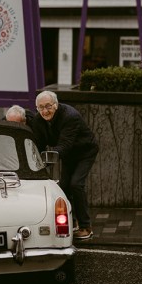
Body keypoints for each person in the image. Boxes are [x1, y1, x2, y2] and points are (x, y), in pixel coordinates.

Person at [31, 90, 99, 240]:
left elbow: (65, 145)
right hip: (68, 154)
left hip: (85, 151)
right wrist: (35, 162)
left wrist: (47, 159)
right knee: (64, 187)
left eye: (48, 106)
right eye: (40, 107)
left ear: (56, 105)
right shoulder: (38, 120)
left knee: (76, 184)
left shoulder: (70, 116)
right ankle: (71, 223)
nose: (44, 111)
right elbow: (39, 143)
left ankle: (86, 227)